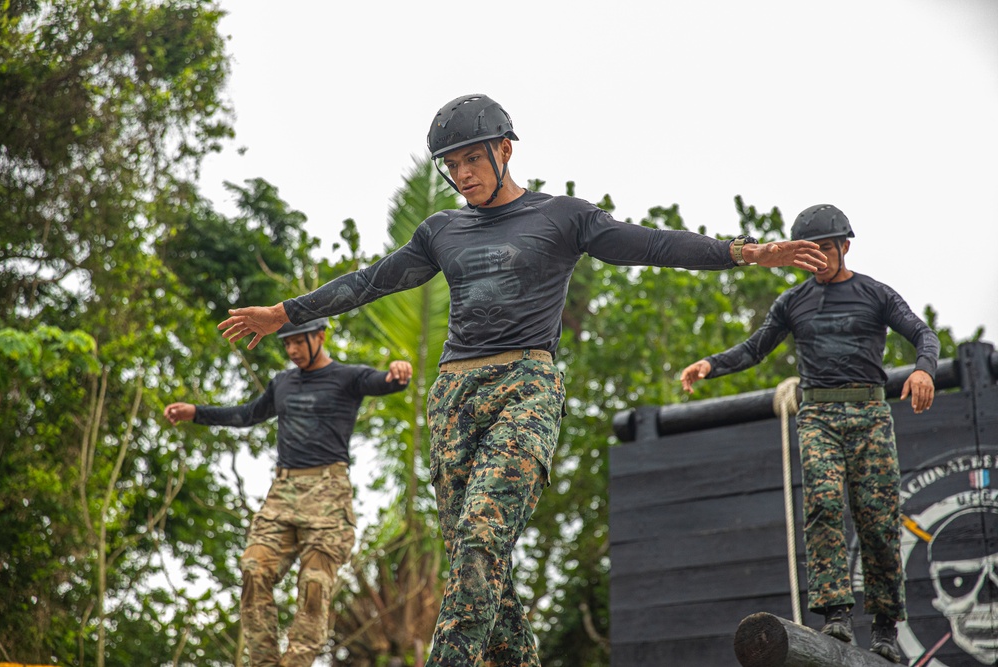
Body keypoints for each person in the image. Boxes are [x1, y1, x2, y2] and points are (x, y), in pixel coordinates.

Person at [216, 94, 827, 666]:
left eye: (471, 160)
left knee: (483, 539)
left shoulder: (563, 216)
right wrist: (284, 313)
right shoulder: (440, 230)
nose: (463, 175)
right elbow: (371, 279)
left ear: (504, 149)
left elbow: (652, 244)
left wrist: (747, 253)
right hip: (454, 395)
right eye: (451, 166)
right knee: (472, 562)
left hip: (525, 387)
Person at [680, 204, 939, 663]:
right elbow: (755, 348)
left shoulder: (875, 294)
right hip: (818, 414)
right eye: (809, 251)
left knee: (878, 519)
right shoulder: (793, 301)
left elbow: (923, 334)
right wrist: (711, 364)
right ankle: (836, 612)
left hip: (870, 415)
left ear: (845, 246)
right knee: (822, 503)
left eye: (825, 248)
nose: (818, 257)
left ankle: (884, 624)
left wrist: (923, 370)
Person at [164, 317, 413, 667]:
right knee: (253, 567)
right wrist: (197, 412)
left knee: (314, 583)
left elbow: (383, 382)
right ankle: (263, 662)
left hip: (327, 496)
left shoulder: (348, 377)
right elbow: (248, 413)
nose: (293, 350)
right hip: (282, 495)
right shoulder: (282, 383)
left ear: (320, 337)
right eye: (287, 344)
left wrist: (397, 374)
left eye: (299, 342)